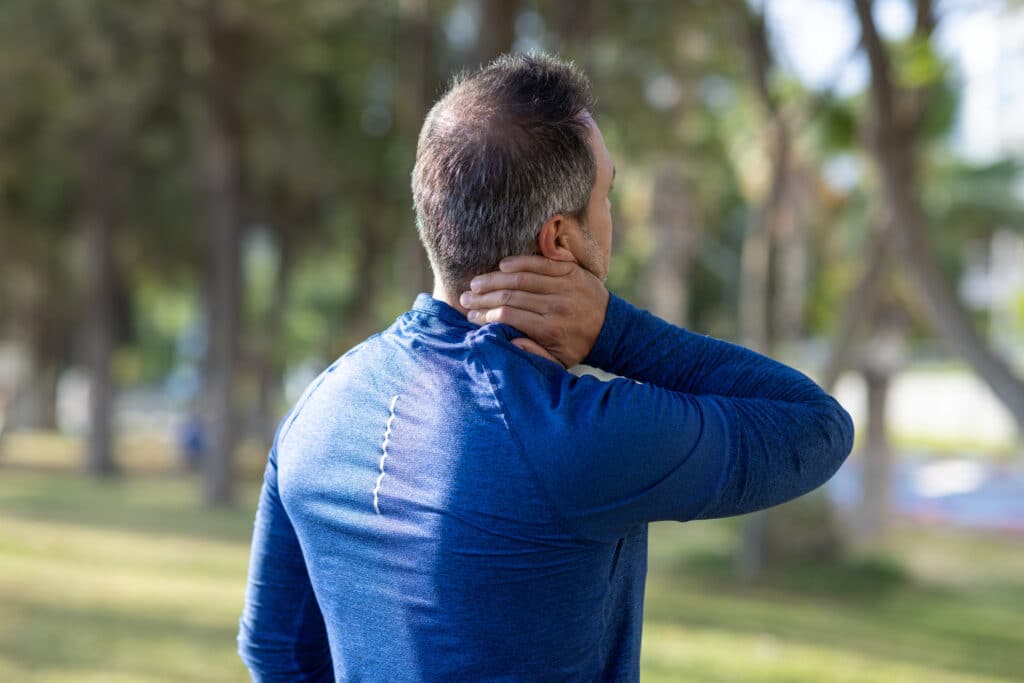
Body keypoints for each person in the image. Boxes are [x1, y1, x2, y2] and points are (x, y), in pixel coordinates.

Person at [238, 53, 854, 682]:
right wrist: (615, 330)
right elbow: (817, 428)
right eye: (606, 196)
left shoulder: (317, 408)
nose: (613, 220)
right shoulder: (573, 434)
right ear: (559, 241)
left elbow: (276, 649)